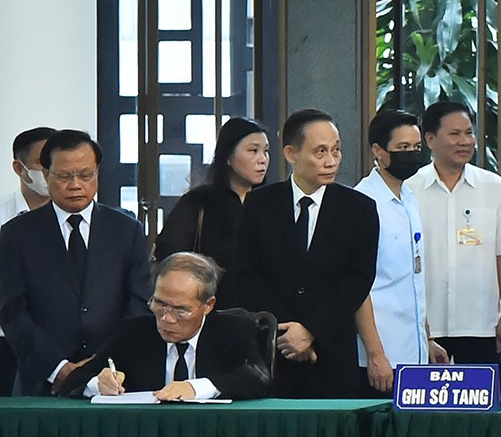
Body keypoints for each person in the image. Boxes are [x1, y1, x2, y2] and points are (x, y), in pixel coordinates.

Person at [227, 109, 379, 398]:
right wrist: (287, 333)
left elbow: (357, 281)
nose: (331, 161)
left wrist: (311, 331)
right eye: (320, 152)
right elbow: (246, 274)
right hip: (272, 350)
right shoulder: (260, 204)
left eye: (336, 150)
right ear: (291, 153)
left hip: (332, 352)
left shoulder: (359, 209)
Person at [0, 130, 150, 395]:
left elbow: (139, 302)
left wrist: (99, 364)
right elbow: (12, 310)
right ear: (46, 174)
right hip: (41, 380)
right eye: (64, 176)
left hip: (115, 377)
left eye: (85, 175)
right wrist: (58, 368)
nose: (75, 185)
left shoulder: (126, 230)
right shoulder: (16, 234)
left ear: (97, 173)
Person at [409, 100, 501, 366]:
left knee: (480, 404)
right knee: (427, 406)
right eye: (454, 134)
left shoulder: (494, 187)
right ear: (430, 139)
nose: (465, 141)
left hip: (481, 326)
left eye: (469, 133)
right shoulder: (410, 190)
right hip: (425, 329)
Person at [62, 253, 272, 402]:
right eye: (160, 304)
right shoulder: (134, 333)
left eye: (181, 310)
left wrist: (195, 387)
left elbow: (258, 377)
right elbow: (71, 383)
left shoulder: (233, 330)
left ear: (208, 305)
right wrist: (97, 385)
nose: (167, 319)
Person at [354, 109, 443, 394]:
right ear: (378, 151)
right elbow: (360, 287)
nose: (412, 155)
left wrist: (427, 340)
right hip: (381, 355)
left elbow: (414, 278)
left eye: (416, 147)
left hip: (414, 351)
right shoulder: (364, 203)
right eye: (403, 148)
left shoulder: (409, 198)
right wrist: (376, 354)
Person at [153, 115, 271, 282]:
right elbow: (170, 255)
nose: (262, 160)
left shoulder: (271, 203)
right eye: (253, 151)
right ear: (228, 157)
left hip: (262, 305)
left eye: (266, 151)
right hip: (210, 301)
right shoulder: (198, 202)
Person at [0, 125, 56, 391]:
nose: (48, 172)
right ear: (19, 168)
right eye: (40, 164)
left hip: (60, 345)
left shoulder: (81, 221)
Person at [0, 125, 54, 229]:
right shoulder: (3, 213)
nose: (51, 170)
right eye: (42, 162)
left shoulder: (75, 213)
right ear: (19, 168)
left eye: (56, 162)